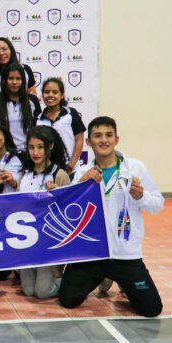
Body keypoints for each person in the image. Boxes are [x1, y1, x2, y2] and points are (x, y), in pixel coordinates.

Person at [60, 116, 164, 318]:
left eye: (108, 135)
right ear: (89, 142)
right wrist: (80, 183)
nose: (103, 140)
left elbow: (157, 204)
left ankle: (121, 279)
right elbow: (69, 208)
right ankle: (102, 278)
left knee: (151, 309)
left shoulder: (135, 168)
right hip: (92, 253)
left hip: (124, 255)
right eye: (97, 136)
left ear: (117, 139)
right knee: (68, 300)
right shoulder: (83, 170)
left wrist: (141, 196)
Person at [17, 126, 71, 299]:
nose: (35, 152)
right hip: (28, 243)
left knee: (42, 292)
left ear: (50, 147)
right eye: (31, 147)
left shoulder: (60, 175)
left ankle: (72, 281)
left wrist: (58, 196)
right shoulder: (24, 175)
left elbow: (71, 213)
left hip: (50, 245)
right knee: (29, 290)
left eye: (40, 147)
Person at [36, 77, 86, 174]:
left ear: (62, 95)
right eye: (47, 92)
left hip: (71, 170)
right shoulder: (38, 119)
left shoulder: (71, 113)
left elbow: (79, 141)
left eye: (55, 92)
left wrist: (70, 167)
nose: (50, 95)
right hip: (48, 172)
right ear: (42, 95)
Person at [0, 63, 41, 152]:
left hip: (29, 153)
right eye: (11, 78)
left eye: (18, 78)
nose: (14, 82)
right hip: (6, 153)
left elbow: (39, 128)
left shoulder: (32, 100)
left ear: (23, 81)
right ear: (4, 80)